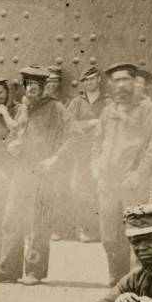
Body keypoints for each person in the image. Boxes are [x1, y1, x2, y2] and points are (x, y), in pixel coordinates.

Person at [0, 66, 68, 285]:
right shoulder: (24, 108)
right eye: (27, 85)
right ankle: (7, 270)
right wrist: (13, 144)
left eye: (34, 85)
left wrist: (56, 159)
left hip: (43, 173)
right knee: (11, 220)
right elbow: (16, 133)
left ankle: (34, 271)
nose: (30, 89)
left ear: (42, 87)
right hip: (21, 171)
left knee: (38, 224)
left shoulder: (55, 108)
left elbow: (75, 136)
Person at [91, 61, 152, 286]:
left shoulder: (146, 109)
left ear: (133, 82)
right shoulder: (108, 110)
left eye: (125, 79)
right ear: (111, 84)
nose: (121, 84)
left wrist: (139, 175)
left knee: (136, 233)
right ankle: (117, 275)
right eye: (117, 80)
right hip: (107, 182)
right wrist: (95, 166)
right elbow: (97, 142)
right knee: (109, 236)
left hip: (131, 181)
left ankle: (137, 279)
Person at [56, 66, 108, 241]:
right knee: (78, 189)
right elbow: (68, 125)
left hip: (104, 152)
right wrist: (91, 123)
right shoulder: (76, 102)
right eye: (85, 80)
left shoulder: (108, 101)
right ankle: (86, 230)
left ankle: (102, 231)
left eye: (92, 79)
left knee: (102, 190)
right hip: (81, 154)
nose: (88, 83)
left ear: (99, 79)